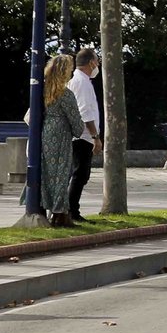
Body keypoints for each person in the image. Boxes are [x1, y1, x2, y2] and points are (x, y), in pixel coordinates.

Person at [23, 55, 85, 226]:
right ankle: (59, 214)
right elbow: (76, 122)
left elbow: (29, 117)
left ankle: (41, 207)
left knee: (44, 172)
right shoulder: (65, 94)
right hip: (60, 137)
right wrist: (79, 130)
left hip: (42, 135)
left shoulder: (41, 91)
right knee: (61, 174)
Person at [67, 47, 102, 222]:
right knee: (80, 174)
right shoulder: (82, 82)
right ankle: (72, 211)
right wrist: (95, 137)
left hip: (81, 136)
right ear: (91, 63)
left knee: (81, 174)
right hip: (83, 136)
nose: (98, 65)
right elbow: (85, 112)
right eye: (96, 61)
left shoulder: (81, 81)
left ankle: (71, 210)